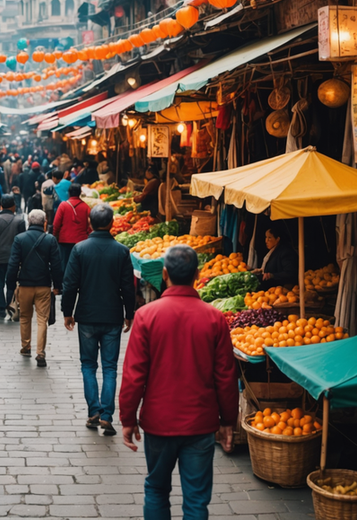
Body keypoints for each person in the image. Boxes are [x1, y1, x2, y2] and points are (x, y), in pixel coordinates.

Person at [119, 244, 238, 520]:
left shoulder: (147, 316)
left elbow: (133, 375)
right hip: (200, 422)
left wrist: (128, 418)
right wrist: (228, 420)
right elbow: (226, 376)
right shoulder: (214, 318)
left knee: (157, 489)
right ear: (197, 275)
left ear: (163, 274)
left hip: (159, 423)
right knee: (196, 499)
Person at [62, 204, 135, 436]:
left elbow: (70, 283)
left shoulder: (80, 249)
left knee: (88, 365)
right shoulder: (122, 251)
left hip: (87, 316)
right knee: (110, 367)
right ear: (112, 223)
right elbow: (127, 287)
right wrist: (129, 313)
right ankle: (106, 415)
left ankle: (93, 412)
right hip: (113, 316)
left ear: (90, 224)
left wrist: (67, 311)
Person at [6, 209, 63, 368]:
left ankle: (25, 347)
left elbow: (13, 264)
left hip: (24, 285)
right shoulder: (50, 240)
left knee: (24, 317)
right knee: (42, 320)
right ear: (44, 222)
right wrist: (58, 286)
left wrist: (10, 287)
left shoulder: (19, 239)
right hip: (44, 286)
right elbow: (57, 266)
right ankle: (40, 352)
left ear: (29, 222)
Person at [0, 194, 26, 319]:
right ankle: (10, 306)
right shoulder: (19, 221)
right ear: (14, 206)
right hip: (14, 258)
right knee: (11, 284)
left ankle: (1, 309)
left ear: (1, 206)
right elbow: (23, 240)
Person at [53, 183, 91, 272]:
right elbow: (90, 225)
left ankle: (65, 284)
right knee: (79, 266)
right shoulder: (86, 207)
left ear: (69, 193)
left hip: (64, 241)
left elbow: (56, 224)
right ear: (79, 193)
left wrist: (55, 235)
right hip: (81, 241)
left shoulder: (63, 205)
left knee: (65, 265)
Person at [253, 223, 299, 290]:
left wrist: (272, 275)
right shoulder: (272, 251)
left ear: (277, 239)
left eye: (269, 238)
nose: (266, 241)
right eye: (266, 237)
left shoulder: (285, 252)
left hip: (280, 289)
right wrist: (260, 271)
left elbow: (290, 273)